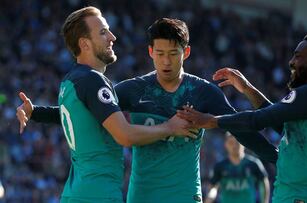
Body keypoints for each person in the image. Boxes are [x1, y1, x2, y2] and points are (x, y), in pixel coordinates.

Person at [17, 18, 278, 203]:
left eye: (173, 54)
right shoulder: (134, 89)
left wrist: (278, 158)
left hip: (185, 195)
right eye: (160, 53)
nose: (166, 61)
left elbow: (240, 128)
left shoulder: (203, 92)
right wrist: (36, 112)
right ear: (150, 52)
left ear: (185, 52)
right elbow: (88, 112)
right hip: (141, 194)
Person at [16, 7, 195, 203]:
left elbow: (83, 118)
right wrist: (170, 127)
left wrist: (35, 112)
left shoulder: (71, 81)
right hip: (98, 194)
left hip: (75, 193)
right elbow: (124, 135)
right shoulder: (93, 81)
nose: (112, 37)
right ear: (84, 44)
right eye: (103, 32)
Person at [177, 31, 307, 203]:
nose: (291, 62)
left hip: (302, 198)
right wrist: (247, 89)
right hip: (300, 195)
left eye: (298, 56)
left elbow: (259, 120)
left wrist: (212, 121)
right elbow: (278, 123)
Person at [205, 132, 269, 203]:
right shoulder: (220, 166)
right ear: (225, 145)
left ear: (243, 143)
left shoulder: (254, 164)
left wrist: (265, 201)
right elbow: (213, 188)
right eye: (231, 142)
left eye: (237, 142)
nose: (234, 146)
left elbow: (264, 183)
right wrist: (209, 198)